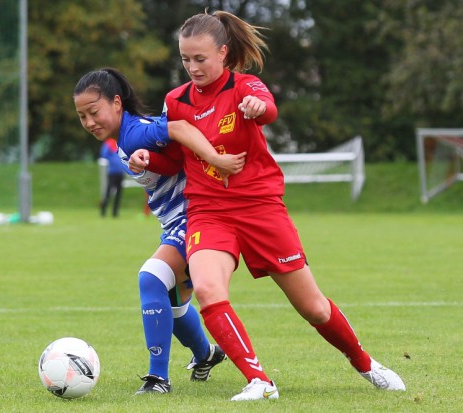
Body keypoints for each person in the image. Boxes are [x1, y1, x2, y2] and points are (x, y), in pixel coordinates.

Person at [129, 10, 406, 401]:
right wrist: (145, 160)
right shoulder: (176, 101)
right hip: (209, 212)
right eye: (186, 59)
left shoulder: (245, 86)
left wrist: (259, 109)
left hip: (260, 208)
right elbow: (175, 159)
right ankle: (259, 381)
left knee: (313, 308)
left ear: (223, 52)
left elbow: (268, 108)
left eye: (200, 58)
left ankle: (365, 363)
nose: (192, 67)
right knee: (207, 288)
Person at [73, 67, 246, 394]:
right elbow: (175, 158)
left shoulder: (135, 132)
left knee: (151, 278)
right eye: (82, 116)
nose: (89, 121)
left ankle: (158, 378)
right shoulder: (126, 138)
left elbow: (180, 128)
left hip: (195, 218)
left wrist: (215, 159)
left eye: (94, 112)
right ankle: (206, 354)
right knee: (174, 304)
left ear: (116, 103)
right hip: (176, 223)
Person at [99, 137, 124, 217]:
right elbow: (103, 154)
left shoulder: (121, 141)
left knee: (119, 193)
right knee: (108, 192)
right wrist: (112, 160)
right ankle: (103, 211)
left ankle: (115, 212)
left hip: (120, 172)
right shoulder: (109, 143)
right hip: (112, 172)